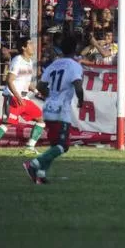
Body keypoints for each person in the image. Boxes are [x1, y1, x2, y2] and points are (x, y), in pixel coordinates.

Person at [24, 34, 84, 185]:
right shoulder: (74, 65)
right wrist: (81, 101)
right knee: (63, 146)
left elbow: (40, 87)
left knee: (54, 144)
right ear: (75, 48)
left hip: (49, 107)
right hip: (61, 110)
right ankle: (34, 164)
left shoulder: (53, 65)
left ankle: (41, 175)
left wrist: (51, 96)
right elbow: (77, 84)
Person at [0, 37, 44, 155]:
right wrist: (17, 96)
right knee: (7, 123)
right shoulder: (17, 60)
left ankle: (30, 147)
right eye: (30, 44)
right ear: (23, 47)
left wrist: (36, 91)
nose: (33, 46)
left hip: (23, 98)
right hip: (13, 97)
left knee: (40, 119)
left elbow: (26, 82)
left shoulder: (29, 62)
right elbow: (9, 80)